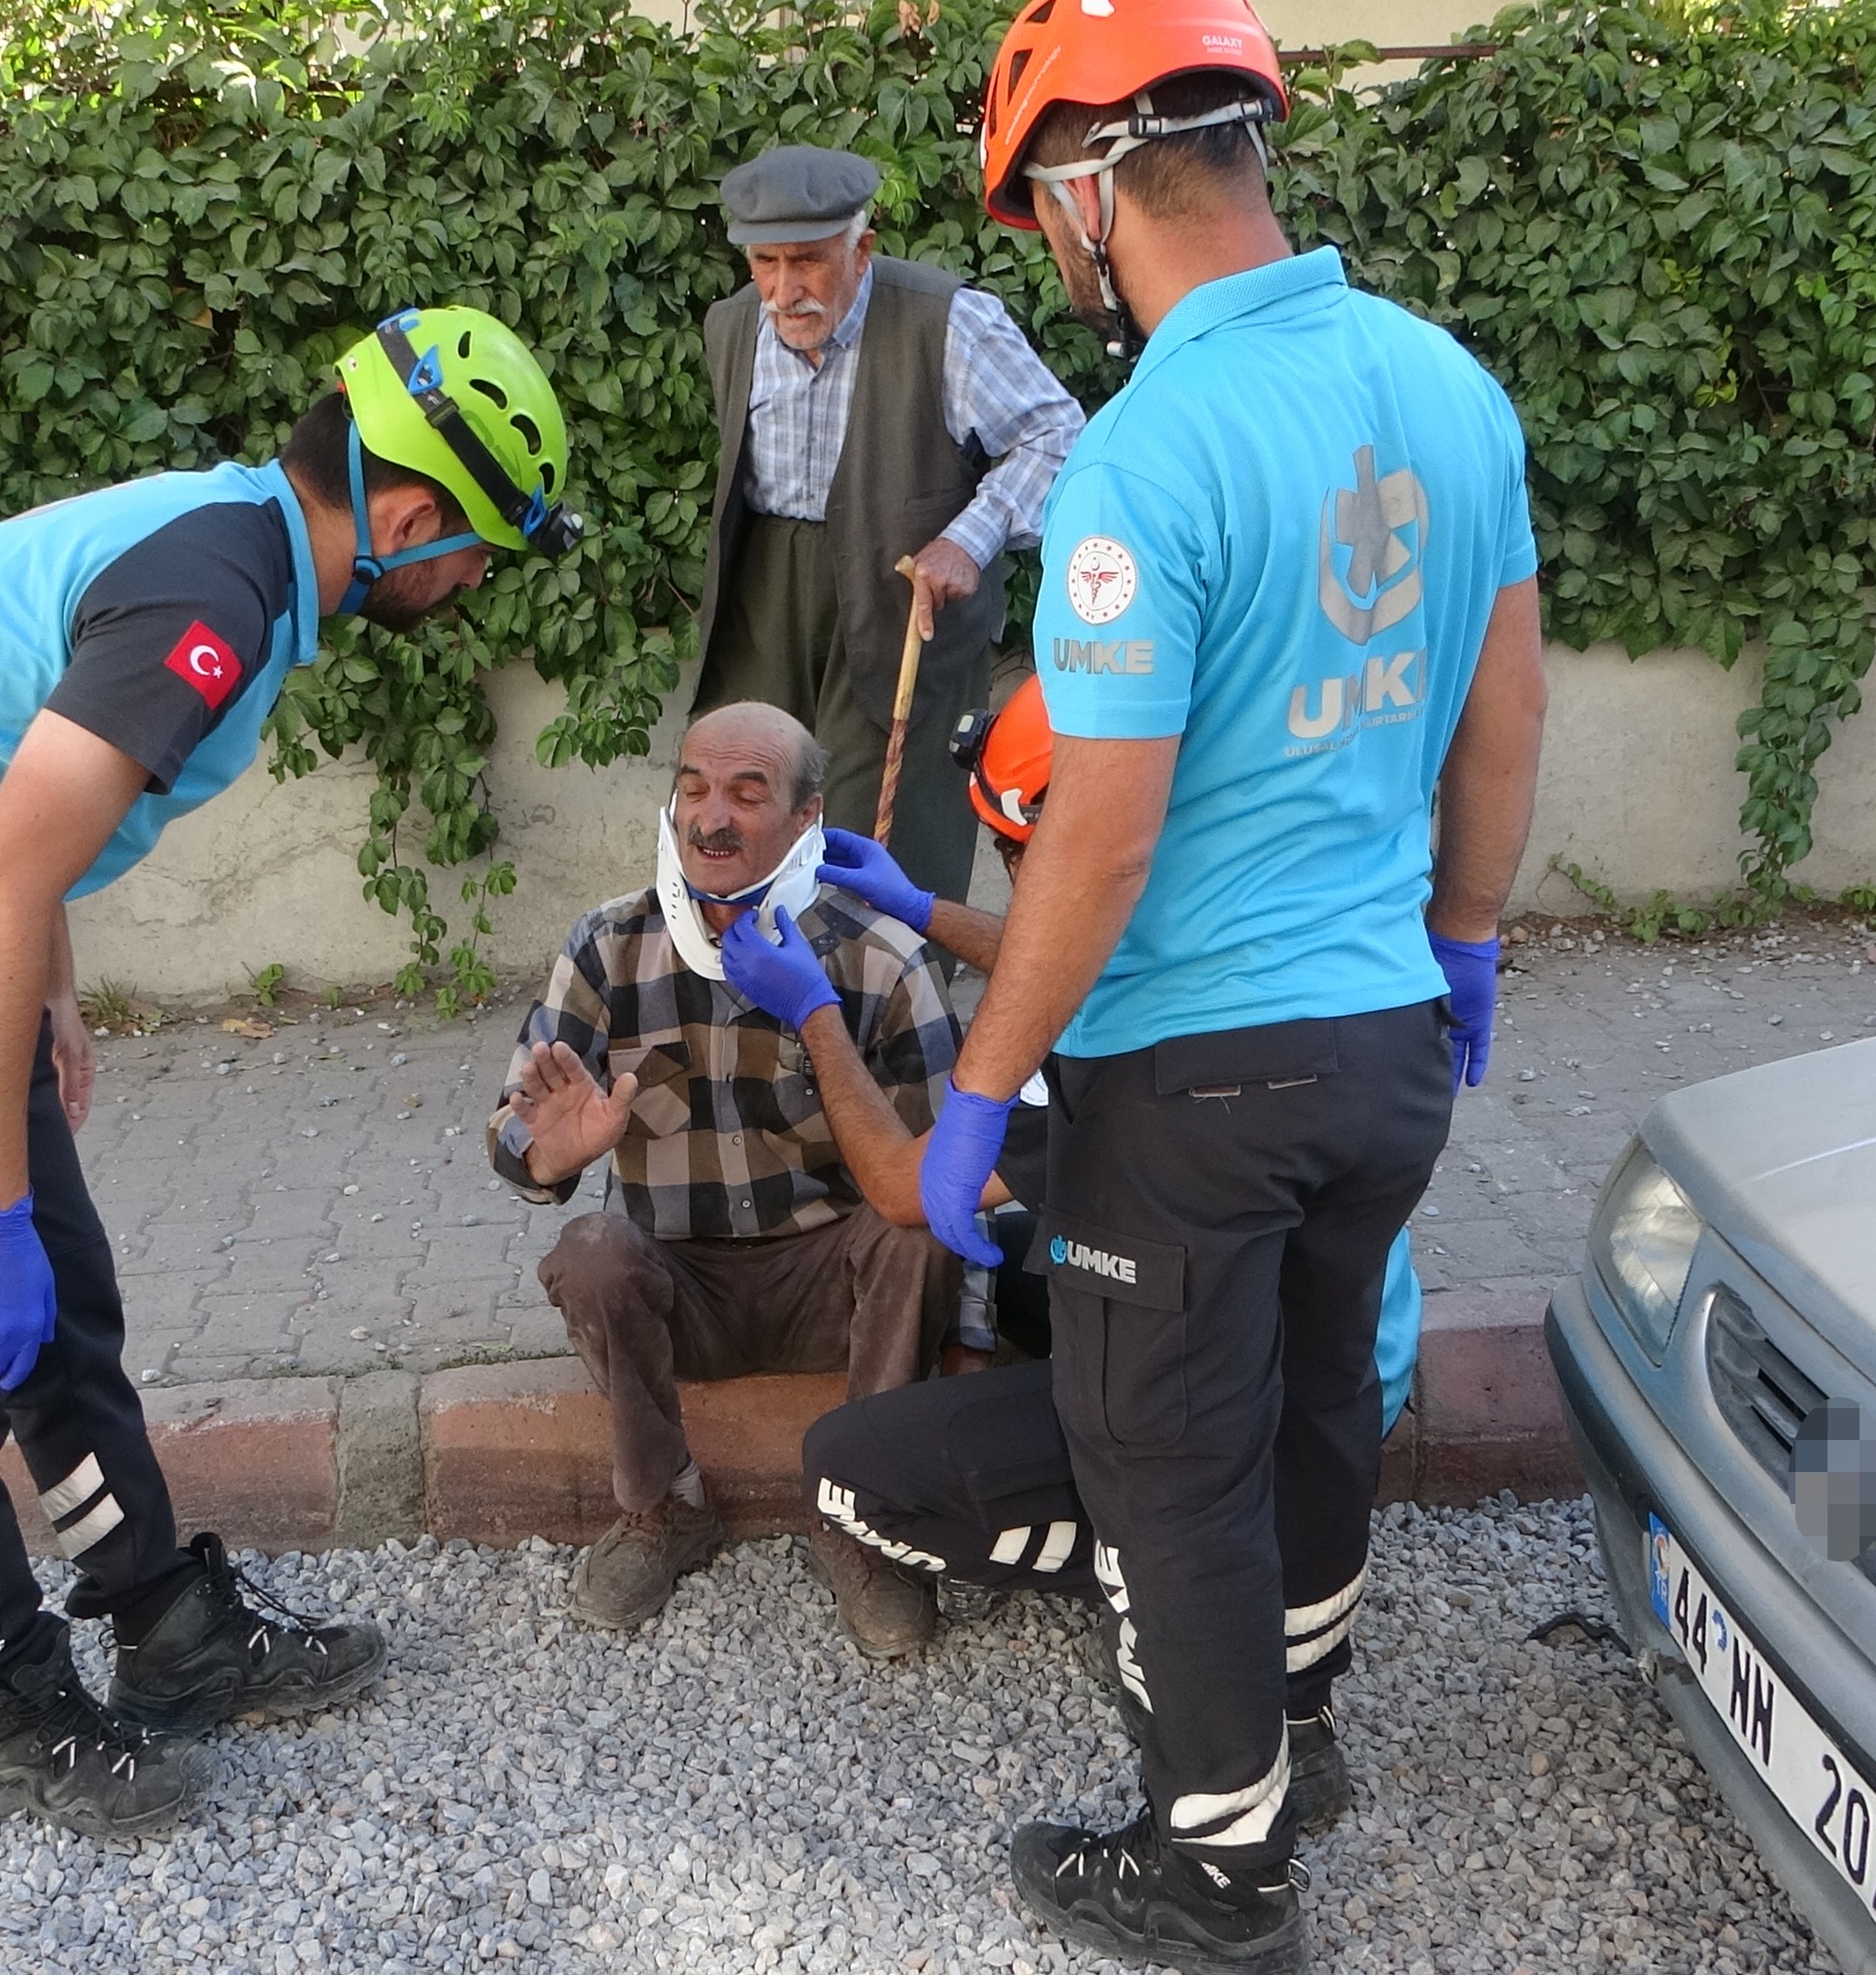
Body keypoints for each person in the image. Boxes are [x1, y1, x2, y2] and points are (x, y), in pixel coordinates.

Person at [0, 306, 586, 1839]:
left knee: (60, 1307)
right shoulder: (216, 594)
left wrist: (50, 999)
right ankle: (9, 1711)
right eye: (481, 554)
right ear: (409, 519)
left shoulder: (235, 549)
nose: (473, 588)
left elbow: (11, 775)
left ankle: (170, 1630)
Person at [913, 2, 1553, 1962]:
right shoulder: (1449, 385)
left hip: (1190, 1081)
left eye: (1040, 216)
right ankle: (1298, 1729)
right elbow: (1504, 706)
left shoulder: (1142, 463)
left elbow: (1096, 840)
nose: (1047, 249)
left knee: (1166, 1459)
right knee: (1312, 1415)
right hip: (1385, 1058)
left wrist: (976, 1091)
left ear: (1095, 195)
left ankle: (1214, 1861)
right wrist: (1461, 936)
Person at [718, 678, 1424, 1737]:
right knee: (1025, 1264)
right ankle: (1258, 1607)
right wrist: (922, 909)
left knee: (852, 1470)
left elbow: (901, 1191)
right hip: (1344, 1376)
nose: (1015, 883)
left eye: (1015, 859)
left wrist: (813, 1012)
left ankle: (1172, 1582)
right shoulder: (1249, 941)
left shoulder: (1121, 1072)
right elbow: (1087, 946)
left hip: (1244, 1407)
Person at [488, 701, 964, 1653]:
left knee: (915, 1228)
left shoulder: (883, 955)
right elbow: (516, 1137)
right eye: (693, 789)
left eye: (749, 795)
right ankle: (665, 1509)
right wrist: (553, 1153)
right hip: (683, 1287)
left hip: (835, 1281)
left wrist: (978, 1344)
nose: (712, 818)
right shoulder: (605, 947)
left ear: (805, 819)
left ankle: (858, 1518)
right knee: (589, 1251)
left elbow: (957, 1176)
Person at [691, 144, 1085, 905]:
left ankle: (894, 1014)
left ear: (861, 248)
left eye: (806, 261)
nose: (782, 290)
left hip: (903, 596)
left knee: (886, 833)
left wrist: (970, 538)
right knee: (749, 807)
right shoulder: (731, 326)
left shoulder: (950, 322)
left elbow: (1057, 436)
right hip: (764, 595)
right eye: (764, 262)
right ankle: (760, 1003)